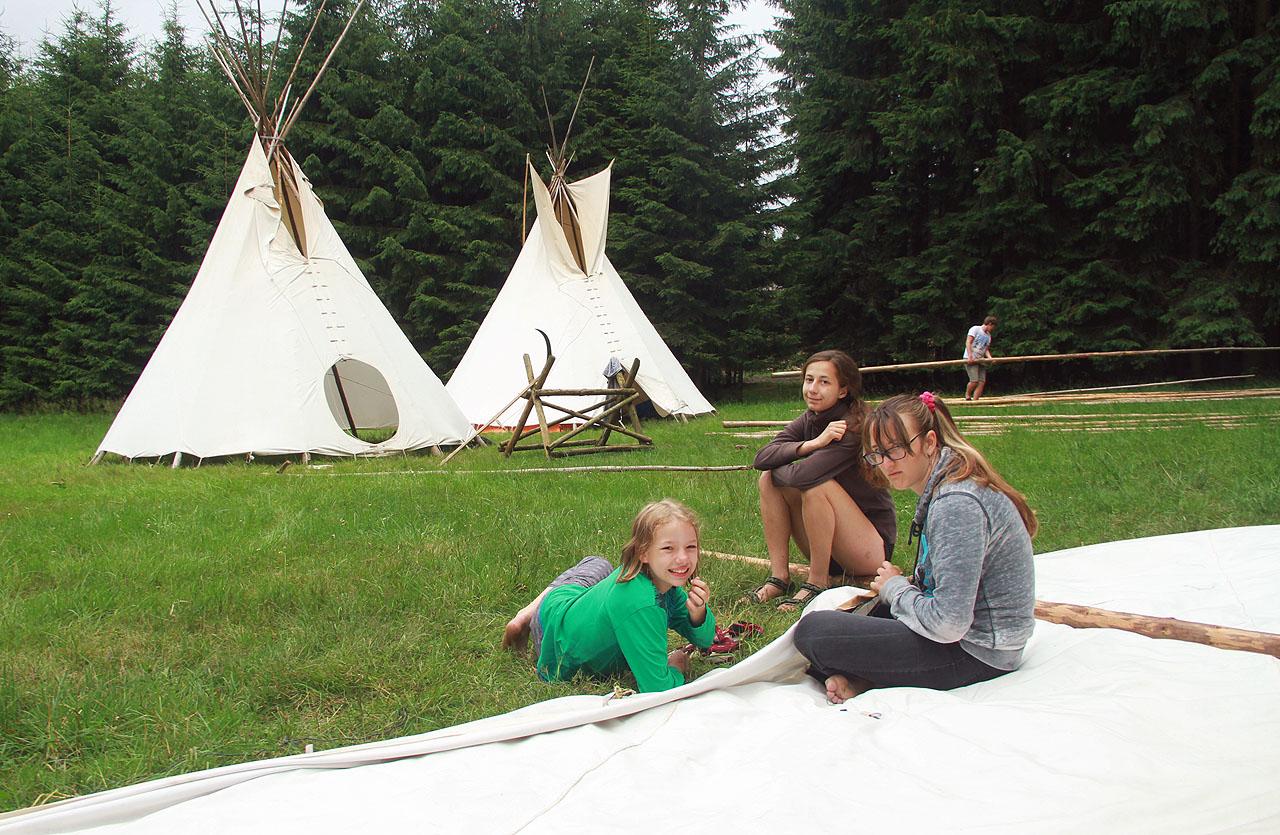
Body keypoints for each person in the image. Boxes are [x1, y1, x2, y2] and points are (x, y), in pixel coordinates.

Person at [794, 391, 1036, 703]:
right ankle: (864, 678)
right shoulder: (950, 487)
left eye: (895, 450)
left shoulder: (957, 503)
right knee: (850, 616)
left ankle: (867, 677)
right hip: (977, 639)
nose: (885, 464)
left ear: (930, 443)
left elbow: (948, 623)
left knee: (814, 632)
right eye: (876, 454)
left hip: (978, 652)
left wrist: (895, 587)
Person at [502, 499, 716, 693]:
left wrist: (698, 615)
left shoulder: (663, 584)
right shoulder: (641, 602)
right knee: (598, 563)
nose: (682, 558)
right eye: (668, 548)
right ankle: (526, 615)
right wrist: (676, 666)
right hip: (551, 630)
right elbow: (657, 688)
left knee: (599, 564)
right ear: (643, 553)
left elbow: (705, 639)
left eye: (690, 547)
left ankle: (552, 607)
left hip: (567, 614)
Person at [746, 350, 897, 612]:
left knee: (816, 485)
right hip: (829, 544)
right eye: (809, 380)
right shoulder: (810, 419)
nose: (813, 389)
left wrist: (784, 467)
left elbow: (805, 476)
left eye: (824, 382)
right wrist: (810, 445)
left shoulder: (852, 426)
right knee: (768, 480)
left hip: (870, 551)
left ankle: (817, 581)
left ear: (843, 390)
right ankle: (779, 577)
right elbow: (762, 458)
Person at [963, 315, 997, 401]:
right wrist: (970, 356)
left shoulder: (988, 336)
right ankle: (968, 395)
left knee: (982, 381)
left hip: (980, 359)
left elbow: (986, 349)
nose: (993, 329)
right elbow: (968, 342)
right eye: (993, 326)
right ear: (989, 324)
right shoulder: (975, 329)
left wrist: (990, 358)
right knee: (974, 380)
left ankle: (975, 401)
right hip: (970, 358)